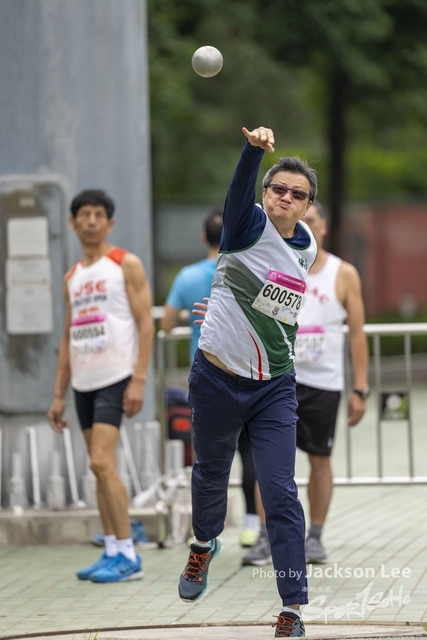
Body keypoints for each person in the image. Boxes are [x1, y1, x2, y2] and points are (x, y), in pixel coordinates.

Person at [178, 126, 317, 638]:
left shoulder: (307, 248)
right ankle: (203, 545)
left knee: (279, 491)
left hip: (274, 386)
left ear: (307, 206)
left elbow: (277, 306)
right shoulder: (245, 224)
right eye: (277, 188)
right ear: (265, 193)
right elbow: (237, 193)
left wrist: (225, 304)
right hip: (216, 379)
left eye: (297, 194)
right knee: (210, 474)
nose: (285, 197)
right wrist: (252, 152)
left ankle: (293, 608)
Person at [241, 200, 369, 568]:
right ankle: (265, 536)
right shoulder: (275, 263)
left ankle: (315, 536)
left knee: (320, 460)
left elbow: (357, 333)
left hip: (323, 382)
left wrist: (360, 388)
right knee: (269, 463)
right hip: (277, 377)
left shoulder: (344, 273)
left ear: (323, 227)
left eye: (311, 220)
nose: (305, 226)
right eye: (301, 220)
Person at [47, 189, 154, 583]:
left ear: (110, 223)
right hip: (83, 381)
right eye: (84, 215)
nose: (91, 221)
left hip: (116, 376)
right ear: (72, 223)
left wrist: (138, 379)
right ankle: (111, 550)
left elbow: (146, 325)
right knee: (99, 468)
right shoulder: (72, 277)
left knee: (100, 461)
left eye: (98, 215)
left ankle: (128, 555)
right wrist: (58, 395)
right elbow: (67, 337)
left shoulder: (125, 264)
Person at [161, 210, 260, 547]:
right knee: (250, 451)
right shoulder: (246, 269)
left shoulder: (188, 277)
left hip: (207, 376)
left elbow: (166, 324)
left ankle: (204, 533)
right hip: (247, 369)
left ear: (203, 237)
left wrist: (187, 315)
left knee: (209, 456)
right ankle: (251, 523)